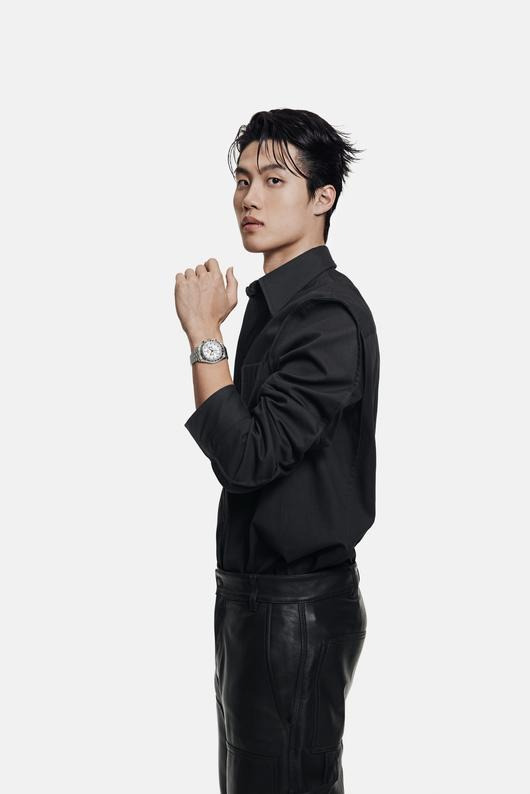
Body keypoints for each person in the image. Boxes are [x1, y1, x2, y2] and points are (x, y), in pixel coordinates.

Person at [174, 108, 380, 794]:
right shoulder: (276, 307)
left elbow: (247, 459)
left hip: (294, 609)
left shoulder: (326, 315)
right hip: (255, 602)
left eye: (273, 180)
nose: (249, 198)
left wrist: (204, 336)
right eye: (242, 180)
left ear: (323, 198)